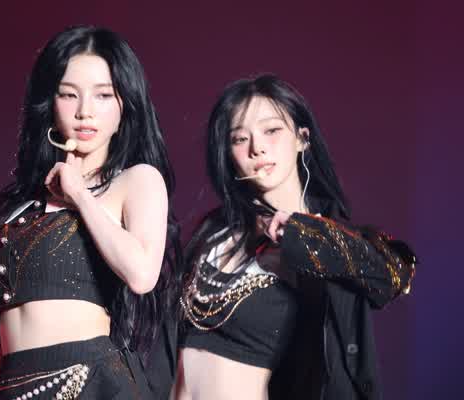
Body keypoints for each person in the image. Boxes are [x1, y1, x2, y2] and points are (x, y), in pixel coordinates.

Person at [0, 25, 180, 400]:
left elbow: (142, 274)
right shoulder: (24, 202)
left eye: (103, 95)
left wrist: (80, 194)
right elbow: (8, 332)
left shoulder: (135, 181)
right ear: (50, 102)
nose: (84, 112)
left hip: (91, 381)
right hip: (14, 383)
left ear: (125, 105)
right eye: (69, 94)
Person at [173, 75, 416, 399]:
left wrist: (300, 234)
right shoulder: (214, 234)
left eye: (271, 130)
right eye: (239, 138)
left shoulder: (327, 239)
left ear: (302, 138)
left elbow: (393, 274)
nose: (257, 148)